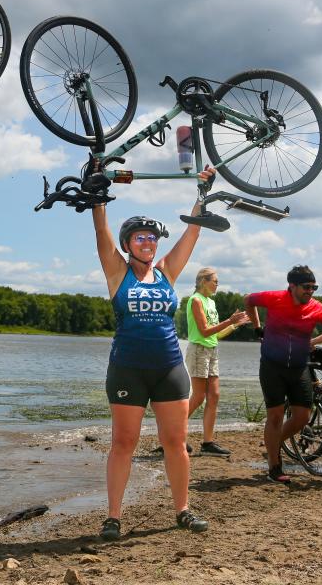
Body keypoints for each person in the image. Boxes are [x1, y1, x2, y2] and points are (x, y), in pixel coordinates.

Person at [93, 171, 215, 541]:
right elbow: (102, 236)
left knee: (175, 443)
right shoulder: (118, 271)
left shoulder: (166, 273)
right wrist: (98, 199)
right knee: (123, 443)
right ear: (129, 243)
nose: (147, 242)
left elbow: (191, 234)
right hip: (128, 369)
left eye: (152, 237)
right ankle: (114, 516)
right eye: (139, 237)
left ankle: (183, 510)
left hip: (169, 369)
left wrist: (202, 195)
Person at [244, 266, 322, 483]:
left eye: (314, 287)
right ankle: (275, 466)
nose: (310, 291)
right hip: (272, 366)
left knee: (301, 418)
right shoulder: (274, 298)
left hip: (300, 367)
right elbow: (248, 300)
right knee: (274, 416)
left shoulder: (317, 308)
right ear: (292, 286)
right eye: (306, 287)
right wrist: (257, 327)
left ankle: (273, 442)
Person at [185, 267, 250, 456]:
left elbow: (216, 334)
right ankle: (172, 434)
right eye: (215, 281)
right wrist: (230, 320)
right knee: (198, 397)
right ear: (203, 281)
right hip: (198, 350)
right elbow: (204, 331)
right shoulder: (195, 300)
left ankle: (208, 443)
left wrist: (234, 325)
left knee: (214, 396)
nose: (217, 285)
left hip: (212, 350)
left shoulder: (211, 303)